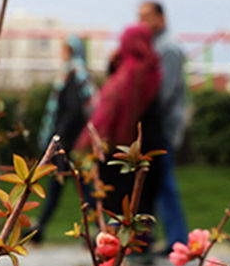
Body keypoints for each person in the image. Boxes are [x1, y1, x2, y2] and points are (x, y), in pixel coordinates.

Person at [74, 23, 163, 251]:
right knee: (142, 197)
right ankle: (142, 242)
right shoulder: (152, 67)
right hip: (148, 139)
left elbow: (113, 107)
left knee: (118, 196)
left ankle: (117, 244)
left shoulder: (130, 70)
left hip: (119, 143)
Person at [137, 0, 189, 251]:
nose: (142, 21)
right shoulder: (154, 45)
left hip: (163, 126)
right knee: (158, 183)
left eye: (147, 16)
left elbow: (163, 92)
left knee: (164, 182)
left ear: (161, 17)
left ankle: (178, 241)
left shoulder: (168, 49)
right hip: (156, 125)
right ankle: (170, 238)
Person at [32, 35, 92, 243]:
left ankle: (40, 229)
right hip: (73, 142)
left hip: (69, 144)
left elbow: (73, 110)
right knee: (75, 188)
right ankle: (40, 228)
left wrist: (59, 136)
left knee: (78, 188)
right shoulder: (76, 75)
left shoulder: (73, 75)